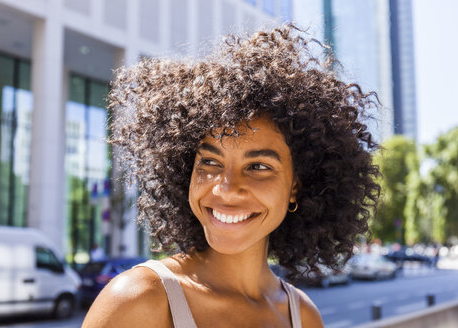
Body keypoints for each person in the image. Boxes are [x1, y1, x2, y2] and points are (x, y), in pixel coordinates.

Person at [82, 25, 380, 327]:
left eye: (259, 166)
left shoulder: (302, 315)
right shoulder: (138, 301)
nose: (226, 188)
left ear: (295, 187)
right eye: (210, 161)